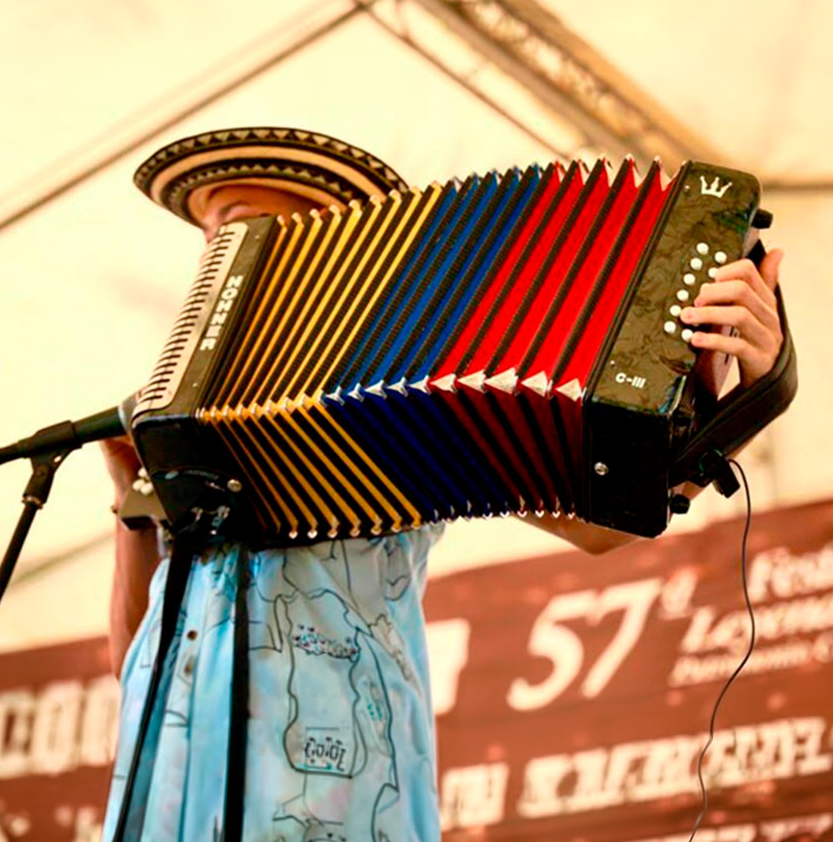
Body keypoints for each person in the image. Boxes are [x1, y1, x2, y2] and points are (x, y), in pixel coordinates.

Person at [100, 127, 785, 841]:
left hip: (341, 791)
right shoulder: (170, 430)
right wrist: (129, 509)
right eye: (214, 239)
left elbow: (601, 527)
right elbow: (137, 668)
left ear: (333, 255)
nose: (220, 262)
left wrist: (738, 406)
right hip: (168, 796)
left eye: (248, 231)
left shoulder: (395, 390)